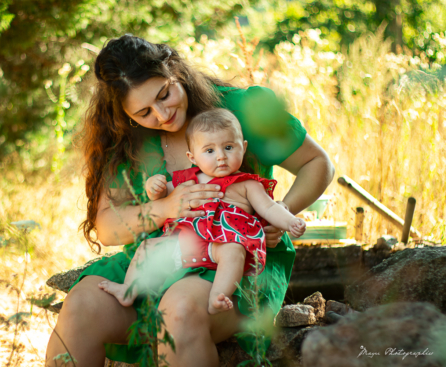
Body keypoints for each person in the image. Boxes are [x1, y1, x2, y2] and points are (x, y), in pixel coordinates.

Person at [45, 34, 335, 367]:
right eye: (144, 112)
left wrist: (279, 212)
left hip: (235, 258)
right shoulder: (127, 140)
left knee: (179, 309)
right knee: (81, 307)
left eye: (164, 94)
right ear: (125, 115)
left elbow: (318, 164)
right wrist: (165, 208)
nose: (162, 113)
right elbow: (108, 228)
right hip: (162, 255)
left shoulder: (240, 109)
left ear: (176, 72)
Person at [98, 108, 306, 315]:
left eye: (228, 147)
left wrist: (289, 222)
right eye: (210, 151)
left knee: (234, 252)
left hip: (220, 245)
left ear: (243, 148)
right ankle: (129, 289)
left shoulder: (248, 185)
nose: (221, 157)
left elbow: (269, 208)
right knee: (147, 247)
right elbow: (164, 199)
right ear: (193, 157)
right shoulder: (187, 180)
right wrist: (155, 188)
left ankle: (218, 295)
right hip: (183, 243)